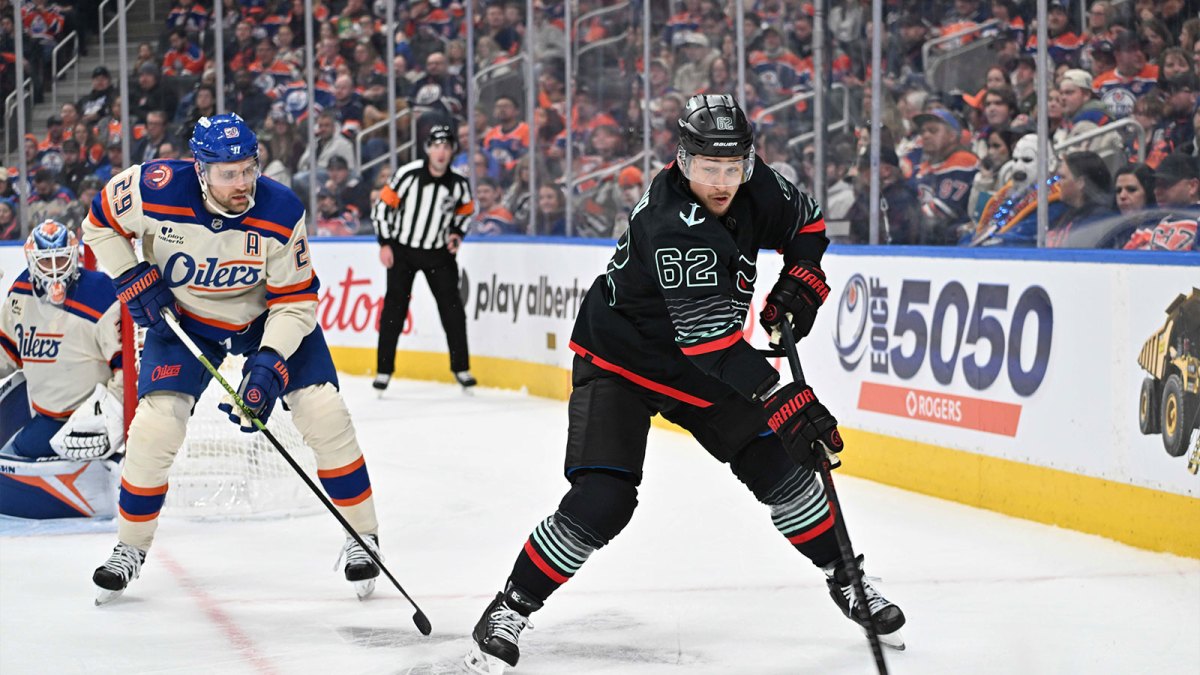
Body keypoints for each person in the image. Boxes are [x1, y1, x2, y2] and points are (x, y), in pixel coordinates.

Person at [463, 95, 906, 674]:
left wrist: (802, 277)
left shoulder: (756, 183)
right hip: (623, 359)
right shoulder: (673, 224)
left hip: (702, 363)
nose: (721, 182)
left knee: (784, 472)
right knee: (605, 500)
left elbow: (809, 224)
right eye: (707, 170)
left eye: (731, 169)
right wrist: (783, 399)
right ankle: (510, 607)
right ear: (682, 160)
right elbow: (711, 346)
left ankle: (847, 581)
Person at [81, 113, 385, 604]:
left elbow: (297, 301)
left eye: (248, 169)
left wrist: (268, 363)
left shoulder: (281, 208)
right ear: (200, 170)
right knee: (156, 428)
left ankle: (363, 536)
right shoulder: (153, 187)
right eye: (228, 173)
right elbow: (98, 224)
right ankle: (129, 548)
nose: (243, 183)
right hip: (182, 319)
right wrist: (130, 273)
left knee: (324, 413)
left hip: (267, 317)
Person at [0, 220, 123, 520]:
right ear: (31, 260)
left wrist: (113, 415)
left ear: (74, 257)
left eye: (60, 259)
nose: (54, 269)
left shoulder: (101, 293)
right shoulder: (20, 292)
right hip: (41, 412)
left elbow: (127, 367)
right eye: (45, 261)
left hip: (83, 421)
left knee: (11, 467)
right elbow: (7, 356)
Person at [370, 124, 476, 391]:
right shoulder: (408, 175)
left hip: (438, 254)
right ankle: (384, 370)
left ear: (452, 152)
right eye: (436, 146)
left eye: (447, 147)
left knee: (452, 310)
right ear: (428, 149)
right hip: (403, 251)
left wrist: (456, 234)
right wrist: (385, 243)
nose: (441, 152)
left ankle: (461, 368)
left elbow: (466, 211)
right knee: (394, 309)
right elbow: (381, 208)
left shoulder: (458, 184)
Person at [1125, 153, 1200, 250]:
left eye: (1165, 184)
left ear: (1192, 186)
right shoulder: (1151, 222)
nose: (1157, 191)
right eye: (1156, 185)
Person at [1047, 151, 1116, 247]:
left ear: (1080, 183)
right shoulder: (1067, 214)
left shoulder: (1098, 222)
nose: (1057, 183)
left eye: (1062, 177)